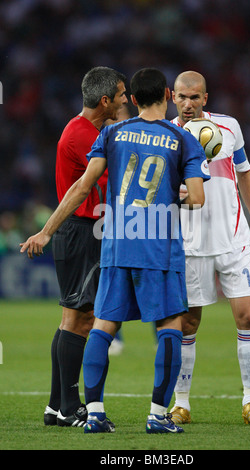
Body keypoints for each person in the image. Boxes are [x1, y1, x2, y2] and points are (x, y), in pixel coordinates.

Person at [20, 67, 210, 434]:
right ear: (169, 96)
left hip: (116, 243)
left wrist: (46, 230)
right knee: (171, 325)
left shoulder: (111, 134)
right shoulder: (182, 137)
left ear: (134, 99)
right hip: (159, 246)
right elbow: (197, 199)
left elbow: (81, 187)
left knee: (103, 325)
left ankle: (92, 413)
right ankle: (157, 416)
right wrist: (175, 194)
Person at [169, 71, 250, 426]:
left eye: (195, 97)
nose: (188, 103)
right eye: (182, 97)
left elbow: (244, 173)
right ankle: (181, 403)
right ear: (171, 97)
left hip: (233, 238)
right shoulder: (166, 136)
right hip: (190, 242)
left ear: (205, 99)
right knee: (188, 323)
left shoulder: (229, 127)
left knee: (248, 317)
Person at [40, 66, 128, 427]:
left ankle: (55, 405)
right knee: (82, 320)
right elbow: (108, 183)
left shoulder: (87, 130)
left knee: (70, 319)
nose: (126, 101)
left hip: (81, 231)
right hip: (82, 231)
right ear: (105, 100)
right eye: (122, 95)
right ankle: (70, 405)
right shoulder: (81, 135)